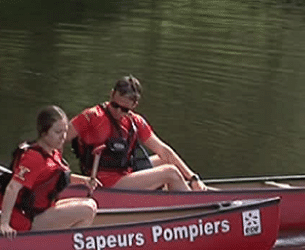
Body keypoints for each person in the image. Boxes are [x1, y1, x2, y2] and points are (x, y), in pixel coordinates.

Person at [66, 75, 207, 191]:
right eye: (115, 105)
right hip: (105, 182)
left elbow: (163, 150)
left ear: (134, 106)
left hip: (125, 173)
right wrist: (66, 175)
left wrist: (192, 177)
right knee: (171, 172)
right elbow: (59, 138)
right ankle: (192, 207)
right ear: (111, 94)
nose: (118, 112)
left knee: (166, 161)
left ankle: (190, 192)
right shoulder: (91, 116)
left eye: (125, 109)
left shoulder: (135, 122)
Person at [0, 105, 99, 239]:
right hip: (28, 219)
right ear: (44, 133)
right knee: (87, 210)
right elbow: (12, 188)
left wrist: (84, 180)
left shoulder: (53, 152)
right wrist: (4, 224)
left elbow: (58, 176)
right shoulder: (34, 158)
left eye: (65, 131)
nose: (63, 137)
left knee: (91, 203)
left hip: (42, 211)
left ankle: (66, 244)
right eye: (58, 132)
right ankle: (72, 246)